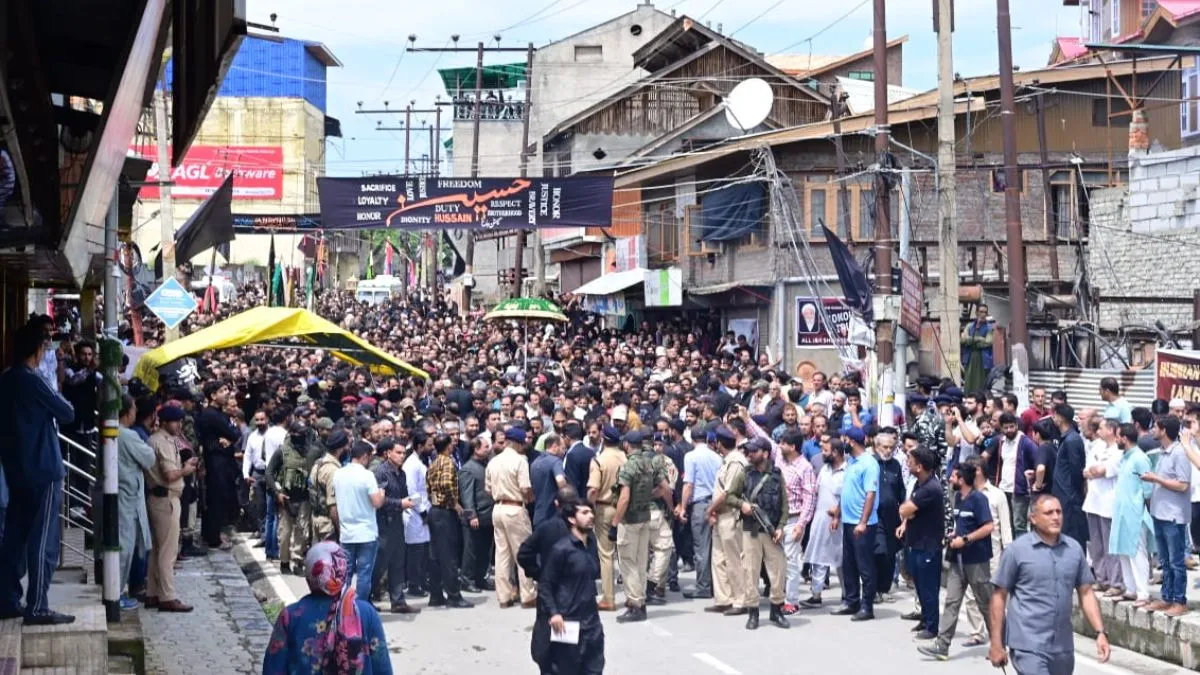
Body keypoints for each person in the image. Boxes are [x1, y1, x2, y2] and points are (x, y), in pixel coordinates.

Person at [0, 322, 77, 625]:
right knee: (43, 541)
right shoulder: (33, 379)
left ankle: (7, 599)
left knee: (15, 539)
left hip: (15, 470)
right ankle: (38, 605)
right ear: (37, 350)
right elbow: (67, 412)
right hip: (43, 470)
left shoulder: (5, 380)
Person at [989, 494, 1110, 674]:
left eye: (1058, 512)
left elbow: (1086, 593)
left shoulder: (1074, 550)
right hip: (1028, 645)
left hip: (1063, 647)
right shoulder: (1016, 551)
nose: (1055, 517)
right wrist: (996, 643)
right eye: (1048, 513)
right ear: (1033, 518)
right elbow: (999, 597)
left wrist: (1100, 633)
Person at [263, 541, 392, 674]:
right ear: (342, 571)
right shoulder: (366, 613)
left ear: (309, 575)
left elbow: (273, 668)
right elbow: (382, 667)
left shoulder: (290, 616)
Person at [917, 460, 993, 661]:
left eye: (954, 476)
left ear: (962, 479)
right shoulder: (958, 497)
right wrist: (954, 535)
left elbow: (988, 527)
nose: (950, 478)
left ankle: (998, 644)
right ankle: (942, 646)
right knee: (951, 601)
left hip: (977, 561)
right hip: (957, 560)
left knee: (985, 603)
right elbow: (962, 525)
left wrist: (966, 539)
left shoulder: (979, 499)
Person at [723, 437, 789, 629]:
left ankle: (776, 611)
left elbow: (785, 505)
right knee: (750, 571)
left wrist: (781, 526)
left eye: (754, 451)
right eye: (749, 451)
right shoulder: (745, 474)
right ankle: (753, 613)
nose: (749, 454)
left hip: (772, 531)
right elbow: (730, 497)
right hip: (751, 530)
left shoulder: (777, 475)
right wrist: (742, 504)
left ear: (765, 453)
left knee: (777, 572)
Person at [611, 430, 672, 623]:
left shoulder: (629, 467)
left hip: (629, 520)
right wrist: (648, 498)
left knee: (628, 564)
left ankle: (635, 604)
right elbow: (664, 488)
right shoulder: (650, 463)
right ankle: (641, 600)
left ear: (628, 445)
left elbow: (624, 498)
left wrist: (614, 522)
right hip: (645, 516)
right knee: (640, 562)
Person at [518, 486, 580, 675]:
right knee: (570, 647)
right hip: (574, 594)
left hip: (549, 591)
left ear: (556, 504)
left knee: (545, 644)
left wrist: (538, 573)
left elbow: (524, 553)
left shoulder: (546, 528)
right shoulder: (582, 530)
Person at [541, 501, 605, 674]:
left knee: (594, 670)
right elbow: (545, 585)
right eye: (584, 513)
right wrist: (554, 614)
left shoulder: (591, 545)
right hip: (568, 624)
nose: (591, 516)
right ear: (572, 519)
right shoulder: (561, 549)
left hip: (592, 624)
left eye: (591, 512)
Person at [145, 404, 197, 612]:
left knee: (158, 550)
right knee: (168, 551)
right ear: (164, 422)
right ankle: (167, 596)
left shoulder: (161, 440)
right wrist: (186, 469)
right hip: (166, 498)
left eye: (180, 421)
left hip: (162, 498)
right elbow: (170, 474)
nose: (179, 425)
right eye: (176, 421)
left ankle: (153, 593)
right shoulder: (161, 442)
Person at [1144, 414, 1192, 617]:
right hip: (1159, 513)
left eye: (1155, 427)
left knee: (1176, 561)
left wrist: (1156, 479)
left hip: (1173, 516)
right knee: (1164, 560)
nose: (1152, 430)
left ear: (1163, 430)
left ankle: (1179, 600)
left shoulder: (1179, 453)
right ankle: (1167, 598)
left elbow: (1183, 485)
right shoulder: (1162, 453)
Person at [486, 427, 537, 608]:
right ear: (516, 443)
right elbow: (525, 487)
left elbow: (488, 488)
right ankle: (528, 595)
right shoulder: (520, 461)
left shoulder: (493, 461)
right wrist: (530, 497)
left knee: (502, 554)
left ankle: (504, 596)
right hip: (515, 508)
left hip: (498, 508)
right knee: (523, 552)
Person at [897, 446, 944, 640]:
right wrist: (907, 517)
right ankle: (925, 619)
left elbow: (906, 509)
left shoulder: (931, 487)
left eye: (910, 460)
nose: (907, 463)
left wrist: (908, 511)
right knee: (919, 584)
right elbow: (908, 511)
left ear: (920, 466)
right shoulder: (919, 484)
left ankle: (932, 627)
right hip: (916, 541)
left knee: (928, 587)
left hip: (928, 545)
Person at [832, 427, 879, 621]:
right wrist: (838, 514)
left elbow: (870, 494)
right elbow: (848, 491)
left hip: (862, 524)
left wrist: (863, 522)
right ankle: (852, 601)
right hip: (848, 521)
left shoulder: (869, 464)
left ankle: (867, 606)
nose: (842, 441)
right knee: (849, 564)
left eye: (844, 438)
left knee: (865, 566)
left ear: (851, 441)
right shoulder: (852, 461)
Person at [116, 394, 156, 610]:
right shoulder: (127, 435)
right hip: (126, 496)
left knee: (126, 546)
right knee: (124, 547)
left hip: (124, 493)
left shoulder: (117, 431)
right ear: (128, 412)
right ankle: (116, 593)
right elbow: (149, 457)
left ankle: (118, 591)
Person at [332, 438, 385, 600]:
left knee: (345, 574)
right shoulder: (367, 475)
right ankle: (360, 607)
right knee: (364, 574)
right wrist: (382, 493)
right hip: (366, 533)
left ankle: (343, 607)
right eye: (369, 457)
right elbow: (377, 503)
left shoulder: (338, 474)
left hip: (347, 533)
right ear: (364, 456)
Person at [705, 426, 749, 615]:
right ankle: (724, 599)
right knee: (718, 559)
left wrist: (710, 510)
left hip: (731, 515)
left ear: (719, 443)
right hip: (720, 515)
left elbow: (728, 492)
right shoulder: (726, 461)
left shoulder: (737, 462)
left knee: (734, 560)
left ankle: (741, 600)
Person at [267, 420, 319, 576]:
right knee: (285, 533)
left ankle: (297, 561)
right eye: (299, 434)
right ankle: (284, 562)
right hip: (286, 498)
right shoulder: (282, 451)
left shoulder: (309, 452)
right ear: (292, 434)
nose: (302, 437)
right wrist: (277, 493)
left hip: (304, 498)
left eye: (304, 434)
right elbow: (269, 472)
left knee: (302, 532)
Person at [371, 439, 418, 613]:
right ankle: (365, 597)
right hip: (384, 521)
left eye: (403, 453)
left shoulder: (402, 473)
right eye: (397, 452)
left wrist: (408, 502)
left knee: (398, 561)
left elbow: (404, 495)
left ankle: (398, 601)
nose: (401, 456)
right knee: (380, 563)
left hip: (397, 521)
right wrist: (400, 503)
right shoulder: (381, 472)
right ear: (388, 453)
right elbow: (379, 500)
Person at [425, 433, 471, 609]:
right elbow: (445, 484)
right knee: (449, 555)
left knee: (435, 555)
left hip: (434, 509)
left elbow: (429, 487)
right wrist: (454, 503)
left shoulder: (434, 463)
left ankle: (436, 594)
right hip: (445, 512)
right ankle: (454, 595)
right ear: (448, 446)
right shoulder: (447, 462)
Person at [800, 438, 847, 609]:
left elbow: (846, 497)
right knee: (817, 557)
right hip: (820, 520)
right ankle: (816, 594)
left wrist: (837, 516)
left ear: (835, 452)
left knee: (842, 560)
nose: (823, 454)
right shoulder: (825, 469)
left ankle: (847, 594)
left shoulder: (847, 471)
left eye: (826, 451)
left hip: (838, 523)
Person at [1109, 423, 1153, 606]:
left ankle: (1143, 593)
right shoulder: (1125, 458)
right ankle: (1131, 589)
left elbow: (1148, 489)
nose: (1116, 439)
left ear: (1124, 439)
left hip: (1136, 513)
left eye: (1117, 436)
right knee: (1123, 551)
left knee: (1136, 552)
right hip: (1122, 512)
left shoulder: (1139, 458)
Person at [677, 422, 722, 600]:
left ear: (692, 439)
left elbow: (689, 484)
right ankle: (714, 584)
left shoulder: (691, 456)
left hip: (701, 504)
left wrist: (682, 506)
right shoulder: (716, 457)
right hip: (716, 503)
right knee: (714, 547)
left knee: (701, 548)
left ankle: (703, 586)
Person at [586, 425, 626, 610]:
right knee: (627, 554)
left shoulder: (599, 461)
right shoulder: (626, 458)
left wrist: (590, 507)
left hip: (605, 507)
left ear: (603, 439)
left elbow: (593, 489)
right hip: (624, 508)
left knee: (606, 554)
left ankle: (608, 599)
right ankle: (634, 596)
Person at [1082, 417, 1122, 595]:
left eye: (1102, 428)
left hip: (1109, 502)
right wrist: (1094, 471)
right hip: (1093, 500)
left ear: (1111, 431)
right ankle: (1101, 578)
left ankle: (1116, 582)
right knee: (1096, 544)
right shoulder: (1097, 446)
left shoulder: (1118, 450)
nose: (1098, 431)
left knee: (1110, 545)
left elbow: (1103, 471)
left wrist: (1096, 471)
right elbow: (1087, 470)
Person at [459, 438, 495, 594]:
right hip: (476, 517)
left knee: (484, 550)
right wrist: (471, 515)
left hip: (487, 515)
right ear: (476, 449)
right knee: (471, 550)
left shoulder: (485, 465)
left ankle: (481, 579)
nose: (489, 449)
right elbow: (466, 496)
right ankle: (467, 580)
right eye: (486, 447)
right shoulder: (468, 469)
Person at [1051, 404, 1089, 547]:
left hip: (1070, 497)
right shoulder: (1066, 438)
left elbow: (1076, 470)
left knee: (1073, 535)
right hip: (1064, 494)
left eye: (1055, 416)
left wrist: (1074, 494)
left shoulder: (1072, 440)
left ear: (1060, 418)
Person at [402, 431, 432, 598]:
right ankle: (414, 584)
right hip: (415, 512)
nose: (432, 448)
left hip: (422, 509)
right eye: (429, 445)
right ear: (420, 446)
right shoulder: (411, 465)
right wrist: (422, 511)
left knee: (422, 550)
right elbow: (412, 490)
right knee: (415, 551)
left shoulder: (419, 461)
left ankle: (421, 580)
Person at [311, 431, 347, 543]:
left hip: (316, 520)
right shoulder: (333, 471)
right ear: (341, 448)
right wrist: (341, 530)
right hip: (328, 525)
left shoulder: (318, 464)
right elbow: (332, 506)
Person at [530, 433, 567, 527]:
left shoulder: (535, 463)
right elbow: (560, 480)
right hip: (552, 515)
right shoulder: (555, 461)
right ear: (555, 446)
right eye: (563, 448)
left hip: (538, 515)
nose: (564, 452)